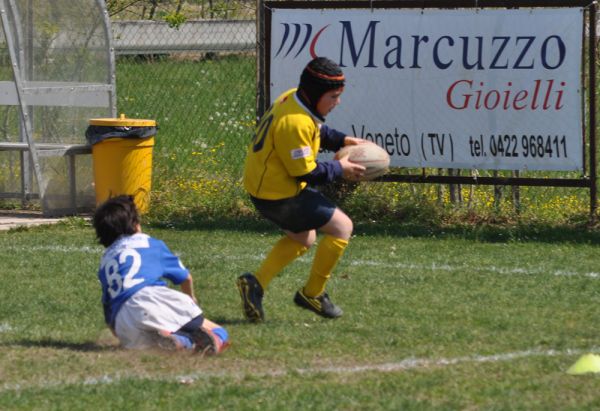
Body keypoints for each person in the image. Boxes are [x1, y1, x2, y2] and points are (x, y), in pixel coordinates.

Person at [237, 56, 367, 322]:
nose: (337, 102)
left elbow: (317, 130)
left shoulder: (294, 99)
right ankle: (313, 294)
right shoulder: (294, 123)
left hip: (267, 189)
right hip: (279, 195)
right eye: (333, 96)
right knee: (342, 227)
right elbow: (307, 172)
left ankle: (255, 284)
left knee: (303, 238)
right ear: (316, 94)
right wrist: (341, 169)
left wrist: (342, 139)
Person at [92, 195, 229, 354]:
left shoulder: (105, 261)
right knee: (217, 330)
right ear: (136, 225)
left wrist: (120, 334)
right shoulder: (148, 243)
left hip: (123, 321)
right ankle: (214, 340)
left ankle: (179, 341)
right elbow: (185, 278)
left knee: (155, 345)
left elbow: (108, 308)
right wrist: (191, 301)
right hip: (150, 299)